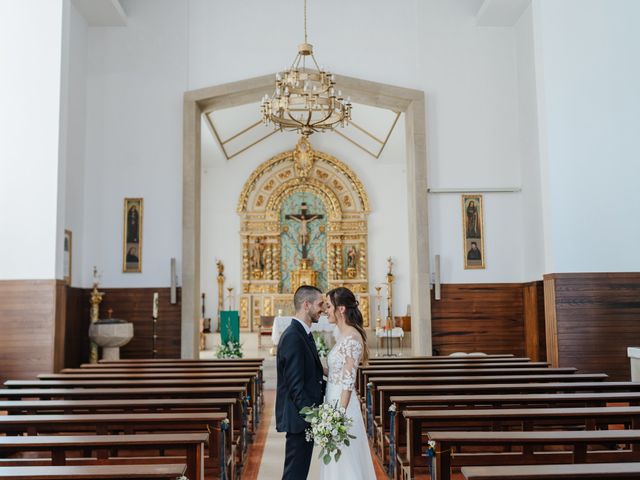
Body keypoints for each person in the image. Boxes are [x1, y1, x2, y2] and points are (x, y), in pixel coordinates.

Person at [321, 287, 376, 480]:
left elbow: (347, 382)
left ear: (341, 308)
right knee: (337, 460)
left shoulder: (352, 338)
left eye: (328, 306)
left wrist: (338, 417)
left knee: (345, 459)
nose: (326, 310)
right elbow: (339, 373)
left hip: (342, 406)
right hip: (334, 401)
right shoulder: (342, 335)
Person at [275, 285, 326, 480]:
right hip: (300, 419)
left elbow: (310, 373)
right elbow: (295, 387)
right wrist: (312, 418)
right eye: (320, 304)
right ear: (306, 304)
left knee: (299, 472)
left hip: (303, 416)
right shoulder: (293, 337)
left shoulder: (301, 333)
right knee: (294, 474)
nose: (322, 308)